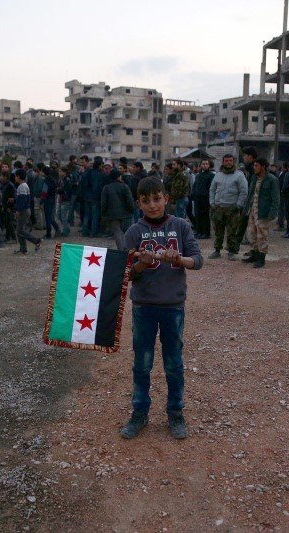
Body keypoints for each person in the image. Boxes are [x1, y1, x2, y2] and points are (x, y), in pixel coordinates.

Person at [120, 177, 203, 440]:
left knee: (173, 363)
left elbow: (198, 261)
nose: (152, 205)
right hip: (144, 307)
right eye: (146, 201)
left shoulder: (180, 226)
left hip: (173, 308)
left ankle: (176, 413)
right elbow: (125, 275)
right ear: (139, 204)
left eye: (157, 198)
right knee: (142, 364)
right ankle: (139, 412)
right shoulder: (133, 232)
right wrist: (141, 265)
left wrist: (178, 259)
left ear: (166, 198)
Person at [208, 154, 248, 260]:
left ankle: (231, 252)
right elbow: (212, 190)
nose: (228, 162)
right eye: (226, 161)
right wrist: (212, 203)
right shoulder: (218, 175)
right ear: (223, 162)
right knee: (218, 231)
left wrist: (239, 205)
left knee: (232, 232)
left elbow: (243, 191)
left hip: (232, 209)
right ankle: (217, 251)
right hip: (218, 208)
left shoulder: (239, 175)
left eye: (230, 160)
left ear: (234, 162)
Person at [242, 158, 279, 268]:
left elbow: (276, 198)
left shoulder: (272, 179)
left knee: (262, 235)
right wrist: (246, 209)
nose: (254, 168)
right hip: (253, 210)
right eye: (254, 165)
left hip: (263, 212)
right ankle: (254, 254)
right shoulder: (254, 178)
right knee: (251, 233)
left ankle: (261, 258)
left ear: (263, 166)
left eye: (256, 165)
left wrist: (272, 213)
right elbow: (250, 194)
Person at [100, 169, 135, 250]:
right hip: (126, 214)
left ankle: (121, 250)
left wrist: (103, 214)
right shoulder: (125, 186)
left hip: (113, 215)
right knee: (127, 232)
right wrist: (132, 210)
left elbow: (104, 203)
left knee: (117, 232)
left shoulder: (106, 188)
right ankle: (128, 249)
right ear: (119, 177)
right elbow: (129, 200)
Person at [12, 169, 42, 254]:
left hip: (23, 211)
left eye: (15, 176)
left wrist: (18, 210)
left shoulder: (22, 186)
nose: (15, 178)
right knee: (19, 230)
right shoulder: (23, 185)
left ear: (18, 176)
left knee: (20, 230)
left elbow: (22, 200)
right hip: (25, 210)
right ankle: (23, 248)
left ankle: (36, 241)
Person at [234, 147, 258, 249]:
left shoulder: (254, 168)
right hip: (248, 200)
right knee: (243, 222)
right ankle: (236, 245)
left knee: (249, 223)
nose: (243, 157)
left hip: (253, 201)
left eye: (245, 155)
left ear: (250, 157)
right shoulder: (248, 168)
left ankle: (251, 247)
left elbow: (253, 187)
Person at [191, 159, 215, 239]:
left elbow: (211, 187)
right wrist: (193, 194)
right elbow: (194, 186)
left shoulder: (211, 175)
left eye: (206, 164)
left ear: (209, 165)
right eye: (203, 164)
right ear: (200, 165)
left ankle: (206, 233)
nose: (205, 165)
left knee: (205, 216)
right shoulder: (198, 175)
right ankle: (199, 231)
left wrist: (207, 196)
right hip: (197, 199)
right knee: (198, 216)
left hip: (205, 199)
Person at [81, 157, 104, 237]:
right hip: (95, 197)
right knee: (95, 215)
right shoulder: (99, 174)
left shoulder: (88, 172)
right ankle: (93, 232)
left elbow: (83, 184)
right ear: (100, 165)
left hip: (87, 196)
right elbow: (97, 187)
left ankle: (85, 231)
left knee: (87, 215)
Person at [41, 166, 61, 238]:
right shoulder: (53, 179)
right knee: (51, 217)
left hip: (47, 200)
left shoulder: (46, 180)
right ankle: (57, 229)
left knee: (48, 217)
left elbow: (44, 192)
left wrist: (41, 202)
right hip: (52, 199)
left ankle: (48, 234)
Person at [56, 166, 75, 237]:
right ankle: (66, 228)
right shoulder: (61, 180)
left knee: (63, 216)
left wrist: (59, 190)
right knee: (58, 215)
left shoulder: (67, 180)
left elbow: (65, 190)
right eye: (59, 171)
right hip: (61, 199)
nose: (59, 173)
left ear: (65, 172)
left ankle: (65, 231)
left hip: (65, 200)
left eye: (61, 171)